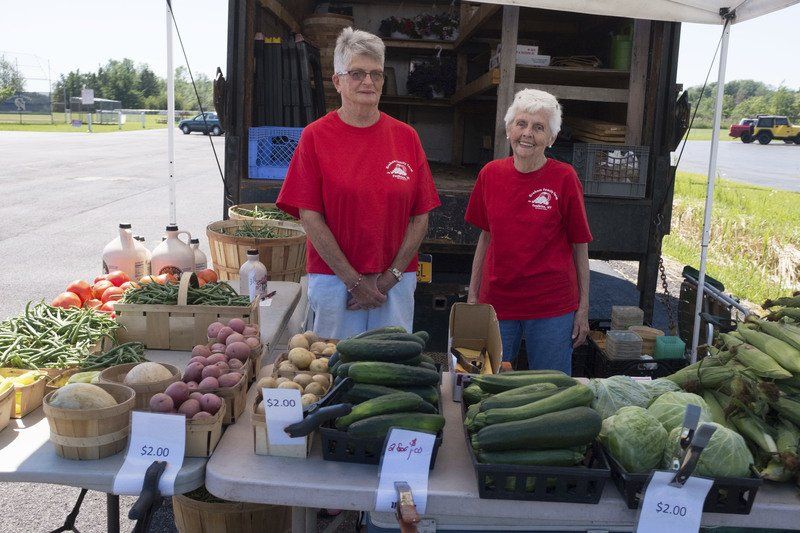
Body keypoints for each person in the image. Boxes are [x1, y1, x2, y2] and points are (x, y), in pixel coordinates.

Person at [277, 27, 440, 340]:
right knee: (329, 372)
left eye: (376, 74)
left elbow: (421, 216)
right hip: (334, 283)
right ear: (337, 81)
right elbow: (310, 217)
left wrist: (389, 279)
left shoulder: (406, 137)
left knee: (389, 374)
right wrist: (353, 281)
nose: (368, 82)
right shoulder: (315, 137)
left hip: (394, 283)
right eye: (357, 73)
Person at [465, 89, 591, 374]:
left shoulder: (564, 178)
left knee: (549, 392)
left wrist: (582, 309)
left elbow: (579, 245)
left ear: (552, 138)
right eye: (521, 124)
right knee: (486, 385)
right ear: (509, 129)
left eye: (539, 127)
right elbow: (485, 238)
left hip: (552, 308)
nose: (527, 134)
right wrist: (473, 297)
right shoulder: (490, 174)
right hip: (496, 303)